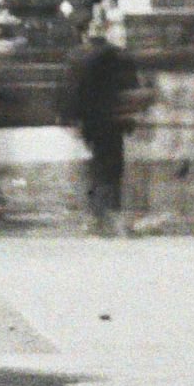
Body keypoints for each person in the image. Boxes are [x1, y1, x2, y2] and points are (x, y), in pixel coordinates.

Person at [61, 29, 140, 234]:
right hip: (113, 118)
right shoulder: (119, 56)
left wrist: (69, 116)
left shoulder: (77, 56)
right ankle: (109, 209)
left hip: (90, 118)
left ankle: (97, 211)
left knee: (98, 159)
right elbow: (130, 87)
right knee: (112, 163)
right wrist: (130, 117)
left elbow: (72, 89)